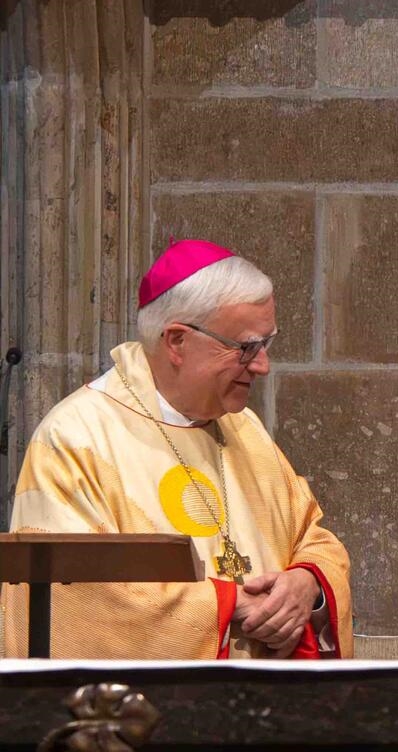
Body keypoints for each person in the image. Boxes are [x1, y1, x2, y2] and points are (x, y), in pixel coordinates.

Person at [2, 239, 352, 660]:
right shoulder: (77, 438)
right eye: (246, 348)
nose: (262, 366)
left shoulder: (245, 429)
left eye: (266, 344)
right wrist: (226, 607)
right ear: (177, 341)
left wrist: (306, 583)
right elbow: (67, 602)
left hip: (265, 709)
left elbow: (310, 535)